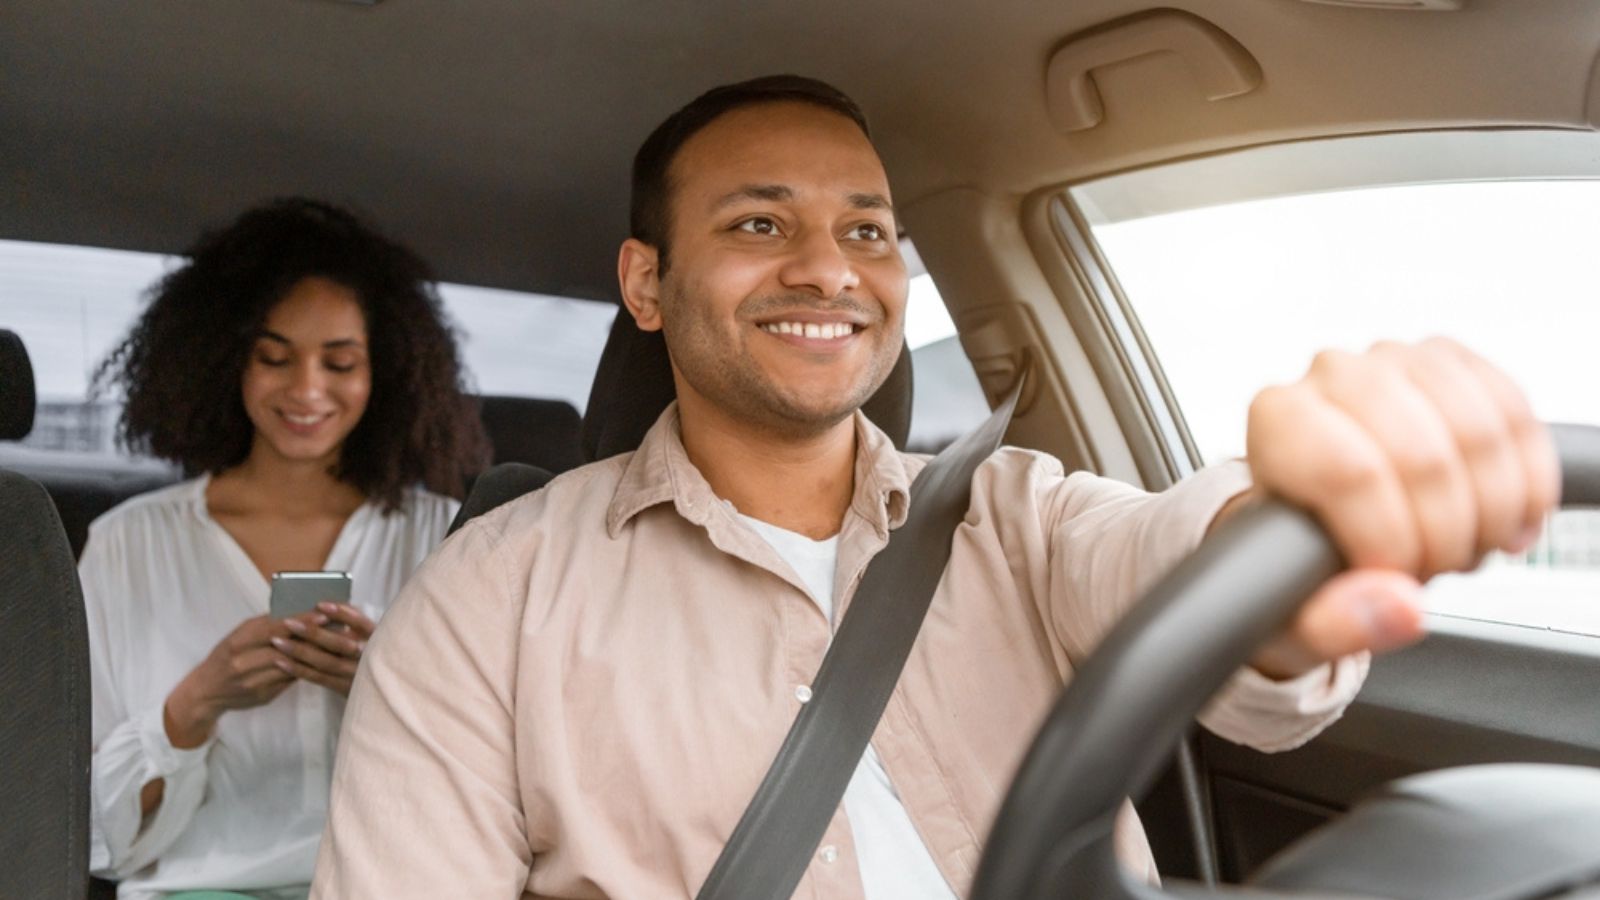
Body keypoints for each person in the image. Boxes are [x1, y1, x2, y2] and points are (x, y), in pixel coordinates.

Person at [310, 77, 1558, 899]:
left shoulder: (1017, 512)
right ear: (645, 285)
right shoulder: (486, 596)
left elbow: (1165, 554)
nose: (828, 270)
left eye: (866, 232)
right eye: (757, 226)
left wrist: (1285, 544)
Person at [83, 198, 490, 900]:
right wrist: (194, 705)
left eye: (340, 363)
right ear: (225, 363)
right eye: (274, 358)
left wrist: (390, 685)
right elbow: (87, 826)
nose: (306, 390)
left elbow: (509, 786)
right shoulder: (128, 544)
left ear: (385, 374)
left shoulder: (449, 536)